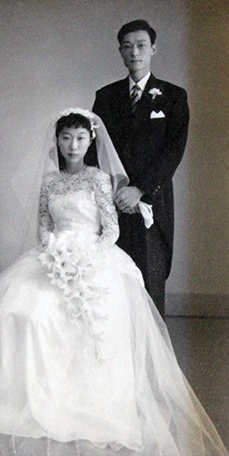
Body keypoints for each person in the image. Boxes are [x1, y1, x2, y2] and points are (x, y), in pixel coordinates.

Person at [0, 109, 227, 456]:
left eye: (80, 138)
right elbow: (43, 222)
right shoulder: (50, 181)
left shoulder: (100, 180)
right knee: (23, 310)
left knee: (96, 318)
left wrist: (87, 257)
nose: (73, 146)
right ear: (57, 140)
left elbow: (112, 229)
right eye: (66, 138)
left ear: (91, 141)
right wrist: (52, 247)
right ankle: (24, 393)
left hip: (93, 255)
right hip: (53, 256)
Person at [93, 19, 190, 318]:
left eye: (141, 46)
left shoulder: (173, 96)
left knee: (150, 283)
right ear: (120, 52)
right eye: (127, 47)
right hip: (113, 203)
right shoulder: (106, 96)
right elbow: (93, 149)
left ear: (153, 49)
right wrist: (112, 191)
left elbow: (173, 150)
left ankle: (150, 360)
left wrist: (140, 189)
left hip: (152, 203)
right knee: (111, 284)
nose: (134, 52)